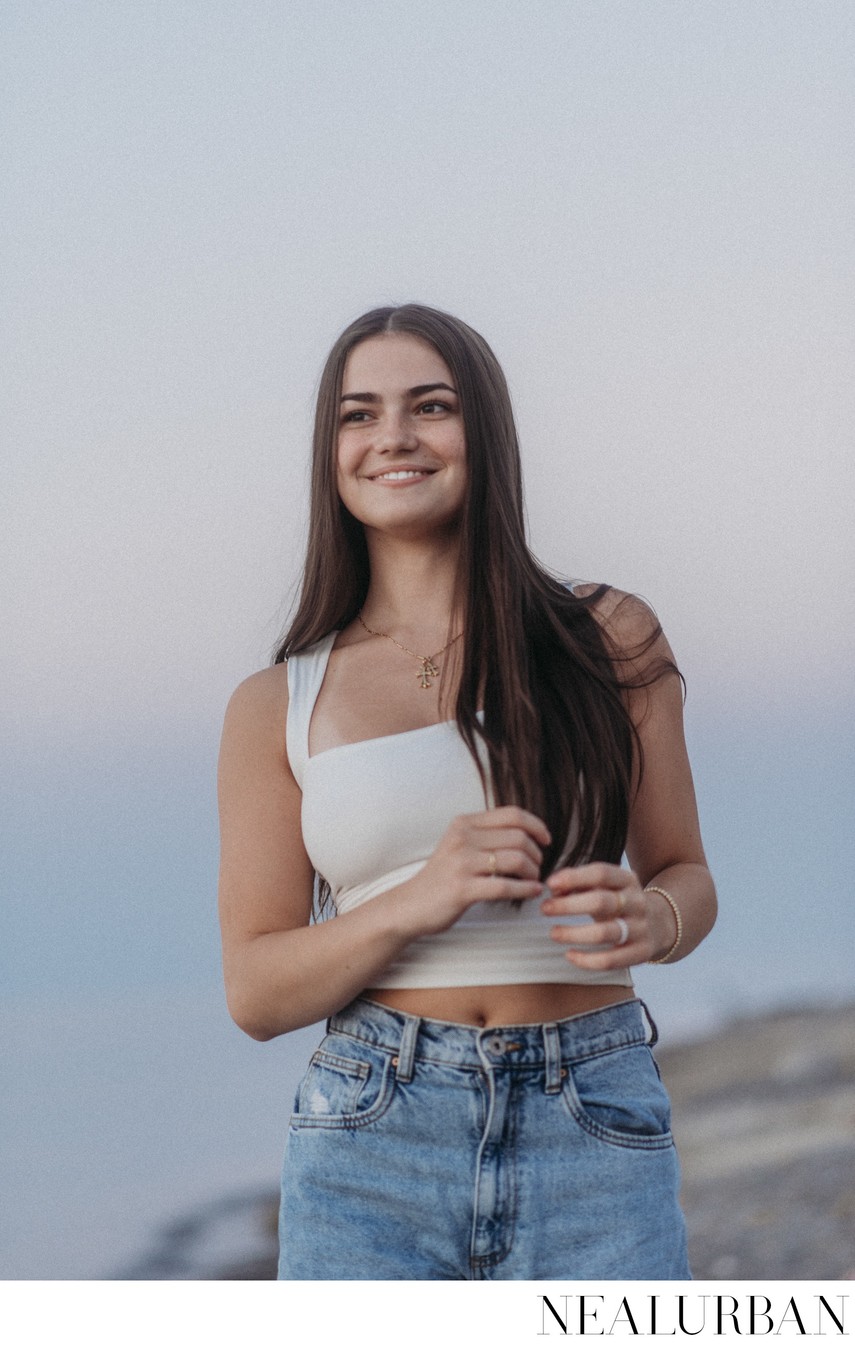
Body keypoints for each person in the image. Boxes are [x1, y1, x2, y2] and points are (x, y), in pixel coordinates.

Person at [217, 303, 717, 1280]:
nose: (393, 437)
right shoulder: (275, 702)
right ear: (331, 453)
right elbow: (256, 990)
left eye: (429, 405)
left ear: (482, 431)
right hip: (372, 1134)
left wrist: (652, 920)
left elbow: (686, 872)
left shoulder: (604, 638)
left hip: (594, 1116)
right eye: (358, 415)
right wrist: (419, 896)